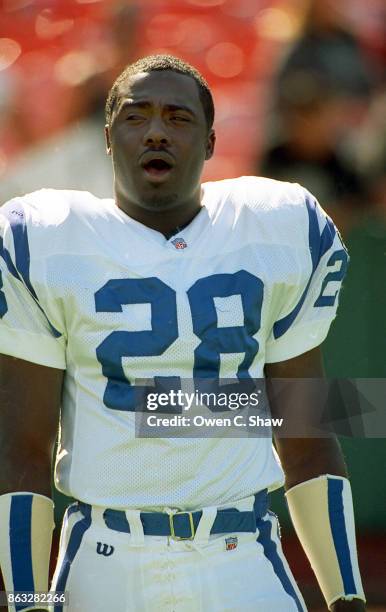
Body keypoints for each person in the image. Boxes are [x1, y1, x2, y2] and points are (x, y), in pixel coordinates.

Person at [0, 54, 366, 611]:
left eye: (177, 117)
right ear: (107, 136)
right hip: (105, 559)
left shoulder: (278, 225)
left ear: (211, 142)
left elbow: (306, 434)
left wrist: (348, 598)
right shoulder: (46, 239)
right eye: (136, 115)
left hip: (243, 555)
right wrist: (27, 601)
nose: (155, 132)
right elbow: (22, 446)